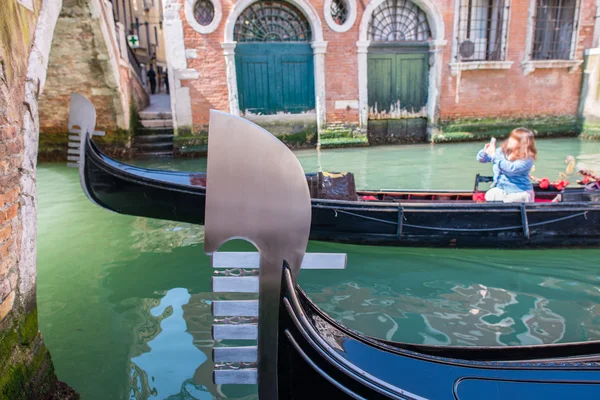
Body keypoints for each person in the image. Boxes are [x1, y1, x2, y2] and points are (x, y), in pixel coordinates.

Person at [476, 128, 537, 203]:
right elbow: (482, 159)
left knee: (510, 201)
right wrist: (485, 151)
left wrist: (493, 155)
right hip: (501, 189)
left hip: (519, 192)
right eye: (511, 137)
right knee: (490, 195)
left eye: (514, 139)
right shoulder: (501, 151)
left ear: (522, 143)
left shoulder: (527, 158)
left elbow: (511, 169)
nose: (510, 140)